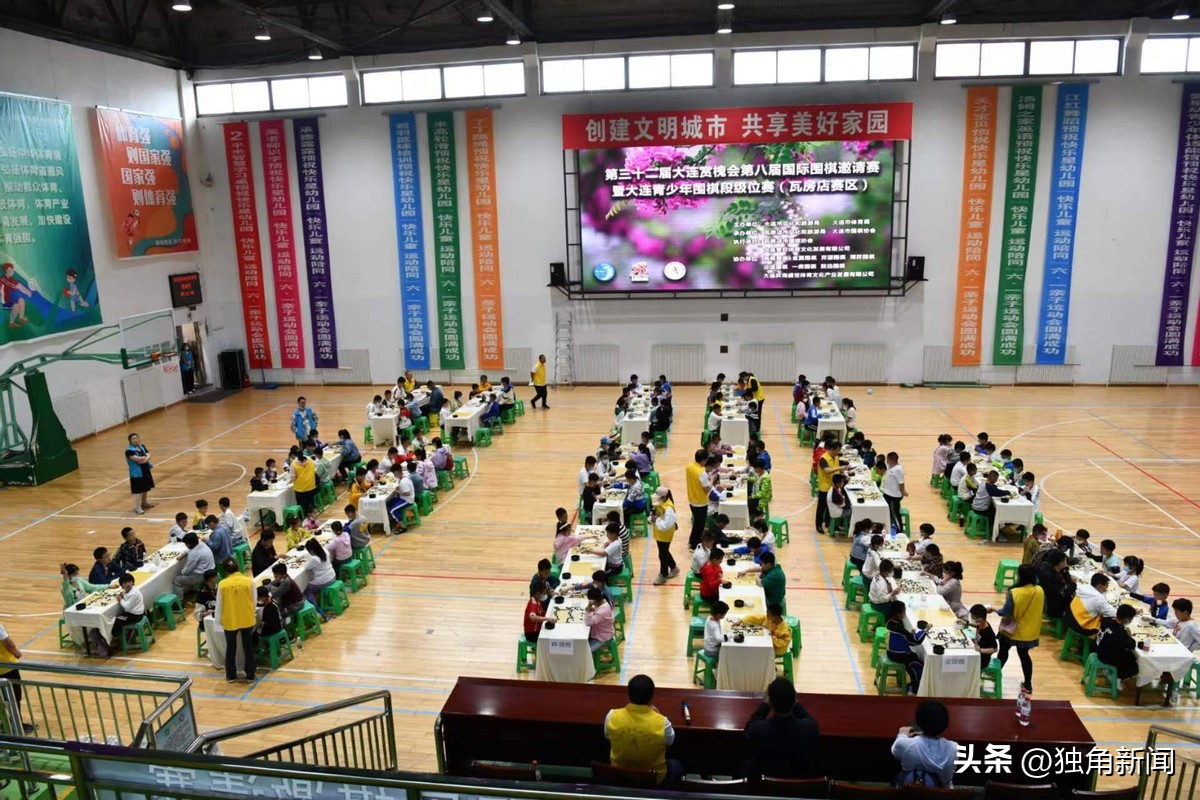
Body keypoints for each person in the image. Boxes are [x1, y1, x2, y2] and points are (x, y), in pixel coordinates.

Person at [603, 674, 682, 788]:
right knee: (676, 765)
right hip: (652, 780)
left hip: (619, 775)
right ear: (652, 697)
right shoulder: (662, 723)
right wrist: (658, 716)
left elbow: (607, 735)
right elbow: (670, 741)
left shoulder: (611, 716)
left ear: (628, 694)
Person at [989, 564, 1044, 692]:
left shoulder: (1014, 592)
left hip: (1011, 630)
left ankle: (996, 674)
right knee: (1024, 655)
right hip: (1029, 631)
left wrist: (993, 609)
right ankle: (1028, 685)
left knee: (1003, 652)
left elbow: (1005, 612)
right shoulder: (1039, 590)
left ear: (1020, 576)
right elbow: (1044, 609)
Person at [892, 701, 958, 788]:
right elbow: (947, 781)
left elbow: (895, 751)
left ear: (918, 721)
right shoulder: (954, 748)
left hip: (909, 793)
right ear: (945, 723)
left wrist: (902, 733)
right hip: (939, 795)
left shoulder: (905, 744)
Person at [217, 559, 257, 683]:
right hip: (247, 618)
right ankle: (250, 674)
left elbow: (219, 604)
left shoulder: (222, 584)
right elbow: (254, 600)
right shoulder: (249, 581)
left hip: (230, 620)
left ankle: (231, 675)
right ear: (238, 566)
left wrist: (218, 621)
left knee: (231, 647)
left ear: (225, 570)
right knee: (248, 647)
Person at [885, 600, 928, 694]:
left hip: (892, 650)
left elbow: (904, 637)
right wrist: (925, 630)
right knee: (918, 665)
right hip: (898, 655)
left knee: (915, 656)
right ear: (898, 614)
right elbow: (915, 642)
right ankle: (914, 689)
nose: (905, 613)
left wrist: (909, 634)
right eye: (904, 611)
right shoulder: (898, 627)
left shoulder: (890, 621)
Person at [1094, 603, 1141, 687]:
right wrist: (1129, 636)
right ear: (1126, 619)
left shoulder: (1107, 620)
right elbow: (1131, 645)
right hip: (1106, 657)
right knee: (1132, 660)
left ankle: (1111, 672)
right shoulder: (1119, 631)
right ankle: (1117, 678)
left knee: (1126, 653)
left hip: (1098, 648)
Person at [0, 620, 34, 733]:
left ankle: (4, 724)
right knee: (14, 697)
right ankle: (17, 725)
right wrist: (16, 653)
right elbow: (8, 643)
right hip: (6, 667)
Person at [1069, 572, 1119, 636]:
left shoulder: (1083, 587)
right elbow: (1112, 613)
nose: (1106, 589)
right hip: (1080, 626)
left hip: (1070, 616)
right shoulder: (1098, 599)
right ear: (1100, 586)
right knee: (1109, 622)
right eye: (1106, 586)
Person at [302, 539, 338, 621]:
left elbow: (306, 567)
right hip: (332, 575)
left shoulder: (314, 559)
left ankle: (317, 611)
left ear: (311, 550)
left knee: (307, 591)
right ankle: (322, 599)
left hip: (324, 580)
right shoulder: (324, 550)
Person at [651, 487, 679, 585]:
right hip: (659, 533)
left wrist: (656, 520)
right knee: (664, 551)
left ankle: (663, 575)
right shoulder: (661, 503)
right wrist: (652, 518)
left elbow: (665, 526)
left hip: (665, 534)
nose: (657, 499)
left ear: (665, 496)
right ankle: (674, 568)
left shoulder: (669, 508)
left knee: (662, 554)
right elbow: (657, 515)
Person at [174, 532, 215, 598]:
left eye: (186, 544)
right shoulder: (201, 543)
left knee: (177, 580)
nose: (185, 545)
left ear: (189, 544)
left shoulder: (194, 553)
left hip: (202, 575)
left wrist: (182, 573)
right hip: (211, 570)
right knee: (191, 573)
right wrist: (183, 553)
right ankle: (193, 589)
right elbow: (190, 549)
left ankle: (179, 601)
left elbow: (188, 571)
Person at [109, 573, 146, 646]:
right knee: (117, 618)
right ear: (122, 585)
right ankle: (122, 636)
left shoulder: (134, 593)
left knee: (116, 621)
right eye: (125, 583)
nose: (128, 584)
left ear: (133, 582)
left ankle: (117, 638)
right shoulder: (130, 590)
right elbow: (126, 594)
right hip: (133, 613)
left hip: (135, 616)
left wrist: (120, 599)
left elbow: (127, 606)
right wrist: (122, 594)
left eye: (129, 582)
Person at [686, 449, 712, 549]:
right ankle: (694, 545)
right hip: (700, 502)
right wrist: (711, 481)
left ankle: (691, 541)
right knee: (699, 525)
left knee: (697, 523)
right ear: (704, 460)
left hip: (691, 499)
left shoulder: (689, 467)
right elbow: (706, 490)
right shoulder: (702, 473)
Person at [815, 442, 843, 535]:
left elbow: (836, 470)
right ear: (831, 449)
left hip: (833, 486)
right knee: (821, 507)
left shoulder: (835, 457)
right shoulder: (823, 458)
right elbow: (827, 470)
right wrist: (839, 467)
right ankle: (818, 525)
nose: (838, 452)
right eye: (837, 450)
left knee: (830, 506)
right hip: (824, 487)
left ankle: (827, 523)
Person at [125, 433, 155, 515]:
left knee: (145, 488)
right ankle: (137, 507)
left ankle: (144, 503)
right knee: (138, 491)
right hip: (137, 473)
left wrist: (144, 459)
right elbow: (136, 459)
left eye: (136, 438)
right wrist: (145, 458)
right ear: (130, 441)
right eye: (133, 439)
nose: (135, 440)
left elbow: (149, 455)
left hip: (145, 470)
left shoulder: (142, 446)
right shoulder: (129, 451)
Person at [881, 451, 907, 534]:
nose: (886, 461)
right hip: (887, 493)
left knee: (895, 513)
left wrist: (903, 491)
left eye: (888, 459)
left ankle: (900, 531)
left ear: (892, 460)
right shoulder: (890, 467)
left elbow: (901, 482)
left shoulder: (898, 470)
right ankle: (888, 527)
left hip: (894, 496)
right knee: (888, 512)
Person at [387, 465, 416, 534]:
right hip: (403, 498)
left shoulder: (403, 481)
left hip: (407, 500)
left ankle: (403, 527)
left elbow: (407, 493)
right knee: (389, 503)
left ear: (397, 472)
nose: (394, 475)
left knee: (392, 510)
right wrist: (399, 488)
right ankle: (398, 520)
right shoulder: (405, 476)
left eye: (394, 473)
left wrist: (398, 492)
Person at [968, 604, 998, 670]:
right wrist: (966, 623)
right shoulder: (980, 624)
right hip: (976, 652)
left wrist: (980, 650)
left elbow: (995, 649)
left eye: (973, 617)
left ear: (980, 619)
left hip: (982, 661)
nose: (972, 619)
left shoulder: (988, 633)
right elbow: (974, 625)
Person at [585, 586, 614, 651]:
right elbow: (598, 610)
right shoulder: (604, 600)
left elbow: (588, 622)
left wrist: (589, 607)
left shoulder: (602, 612)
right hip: (601, 631)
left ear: (594, 601)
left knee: (586, 652)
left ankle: (591, 660)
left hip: (602, 637)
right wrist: (593, 609)